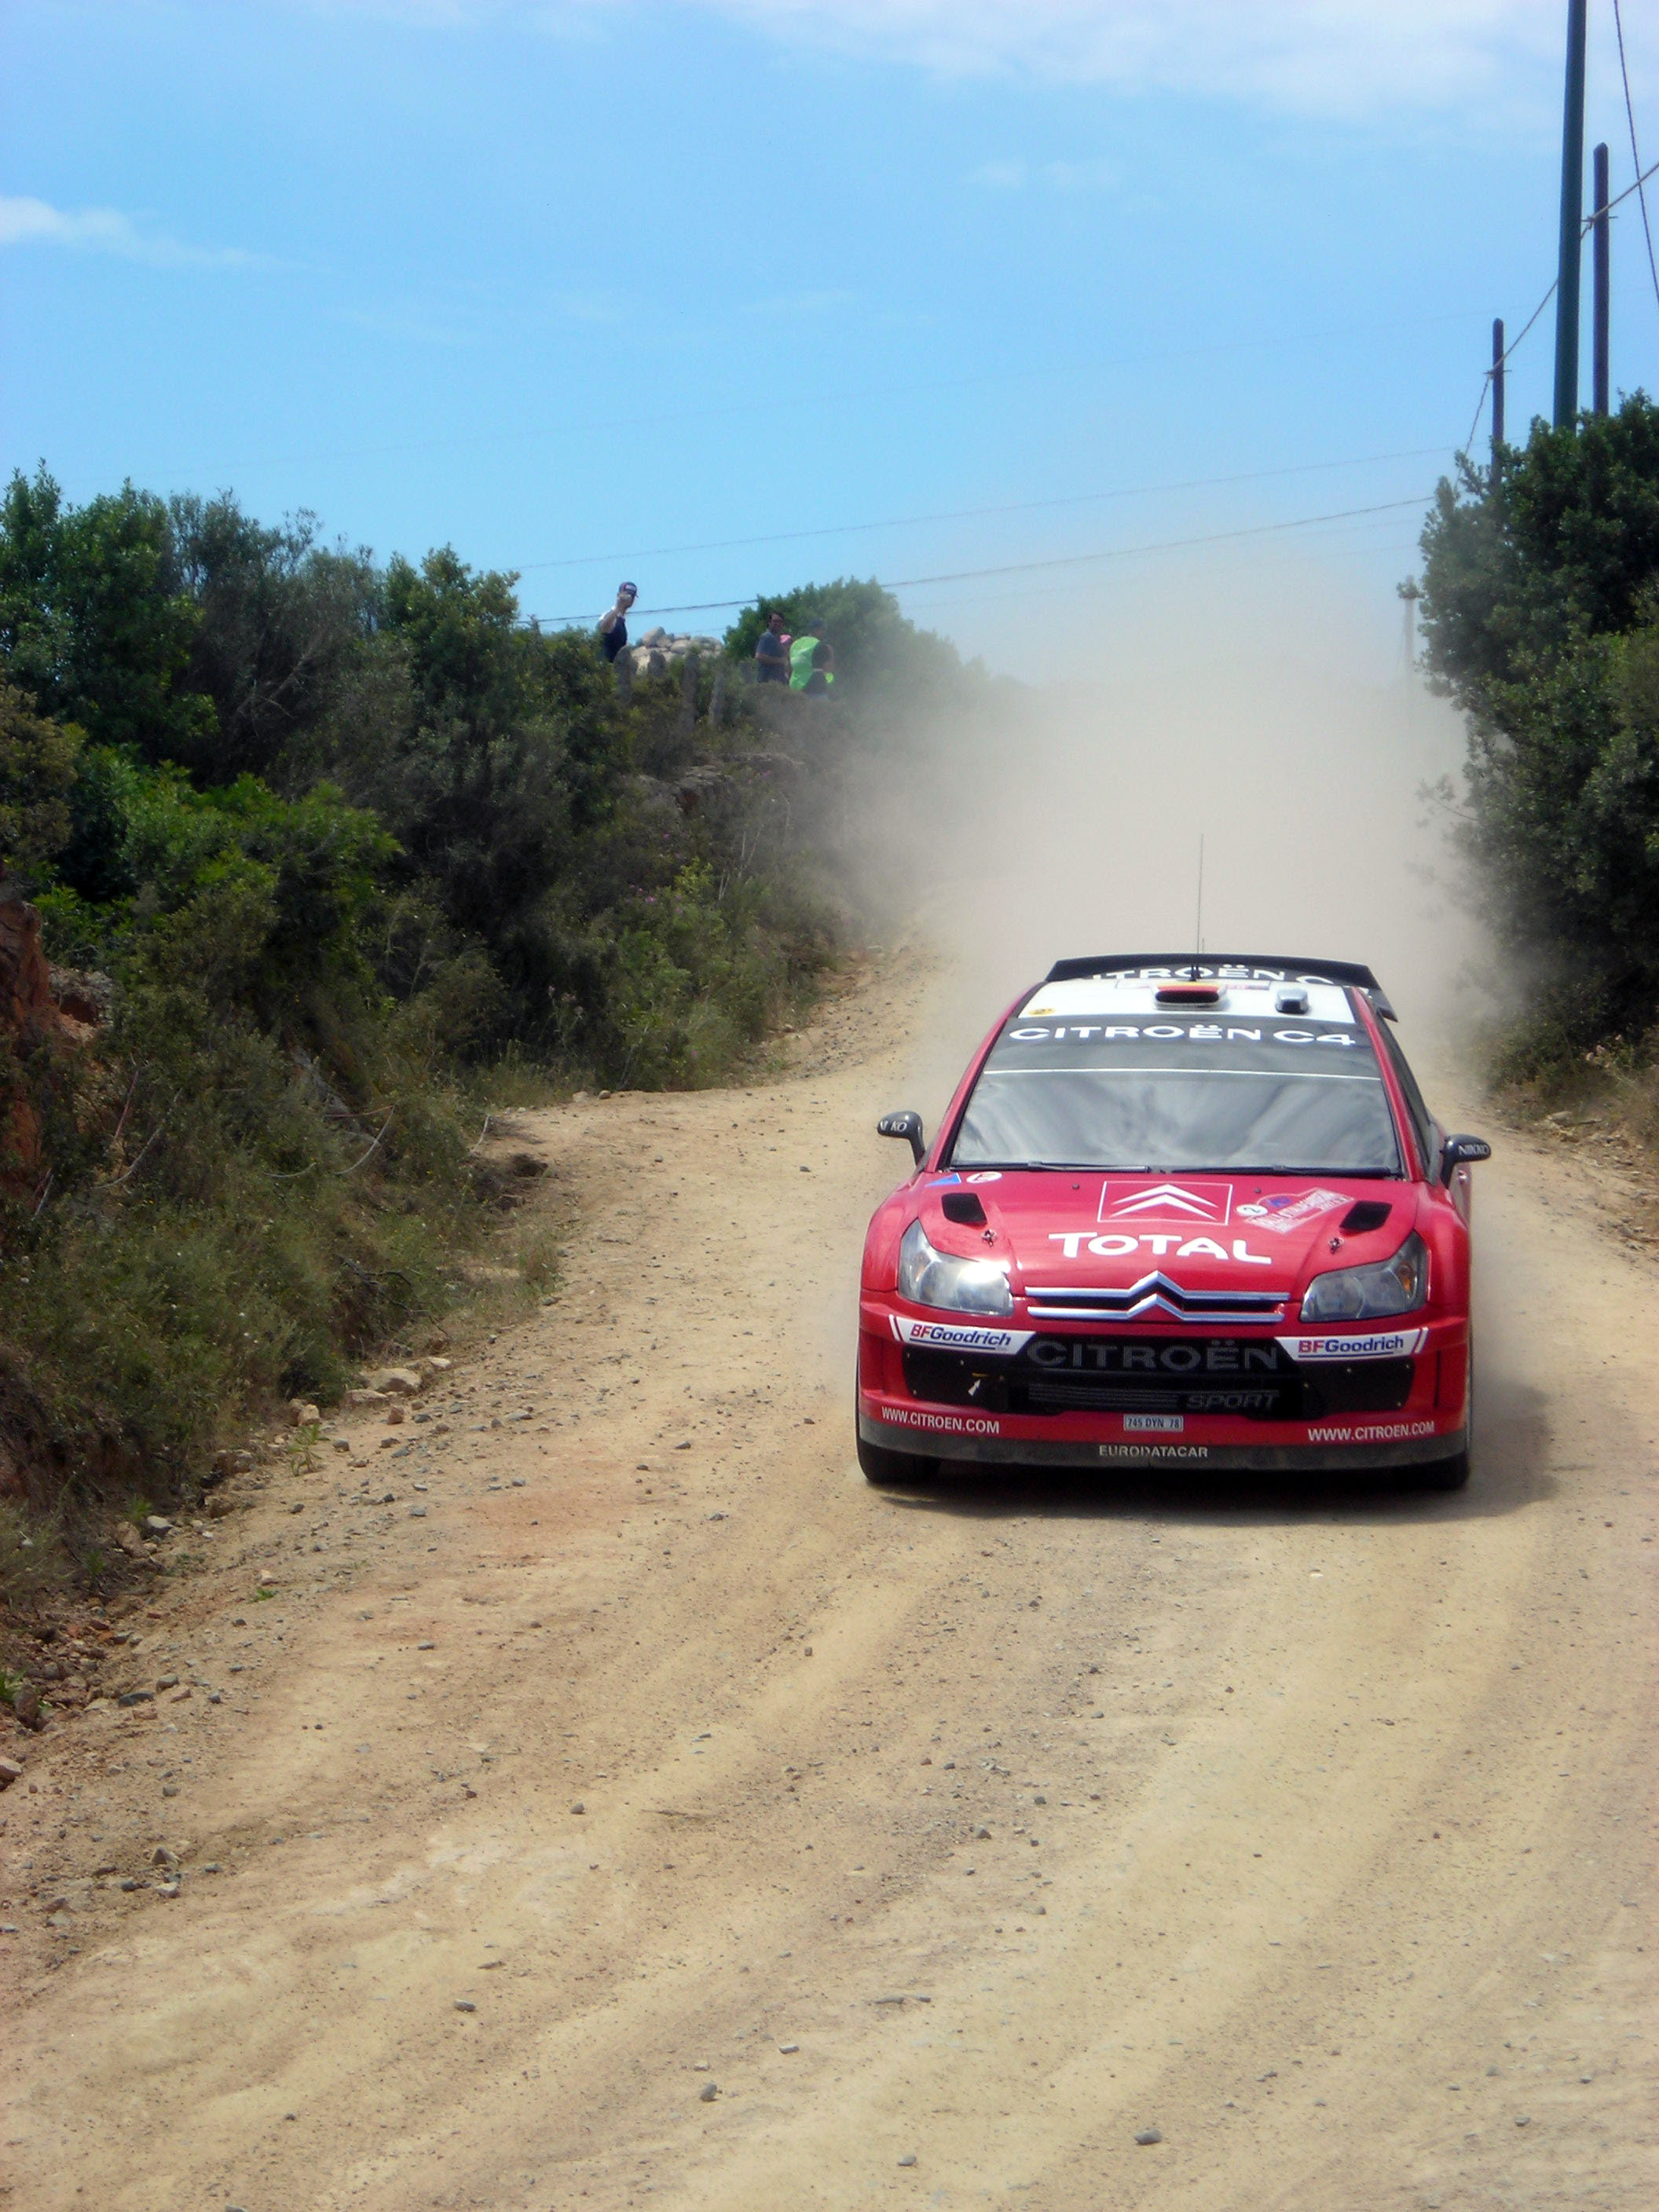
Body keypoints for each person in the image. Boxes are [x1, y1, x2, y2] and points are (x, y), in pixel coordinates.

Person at [789, 620, 834, 694]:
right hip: (814, 687)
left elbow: (791, 666)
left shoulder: (795, 644)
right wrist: (831, 653)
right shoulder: (820, 645)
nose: (824, 632)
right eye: (823, 629)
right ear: (816, 630)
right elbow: (829, 668)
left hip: (795, 686)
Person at [599, 581, 638, 664]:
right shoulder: (610, 615)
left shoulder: (622, 620)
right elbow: (603, 629)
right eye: (627, 594)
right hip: (603, 668)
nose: (630, 598)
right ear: (619, 595)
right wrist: (618, 607)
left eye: (633, 596)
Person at [754, 610, 790, 684]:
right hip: (768, 683)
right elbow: (759, 656)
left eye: (780, 622)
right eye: (775, 621)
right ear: (769, 623)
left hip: (778, 682)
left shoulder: (778, 639)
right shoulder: (767, 637)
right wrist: (780, 660)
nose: (778, 624)